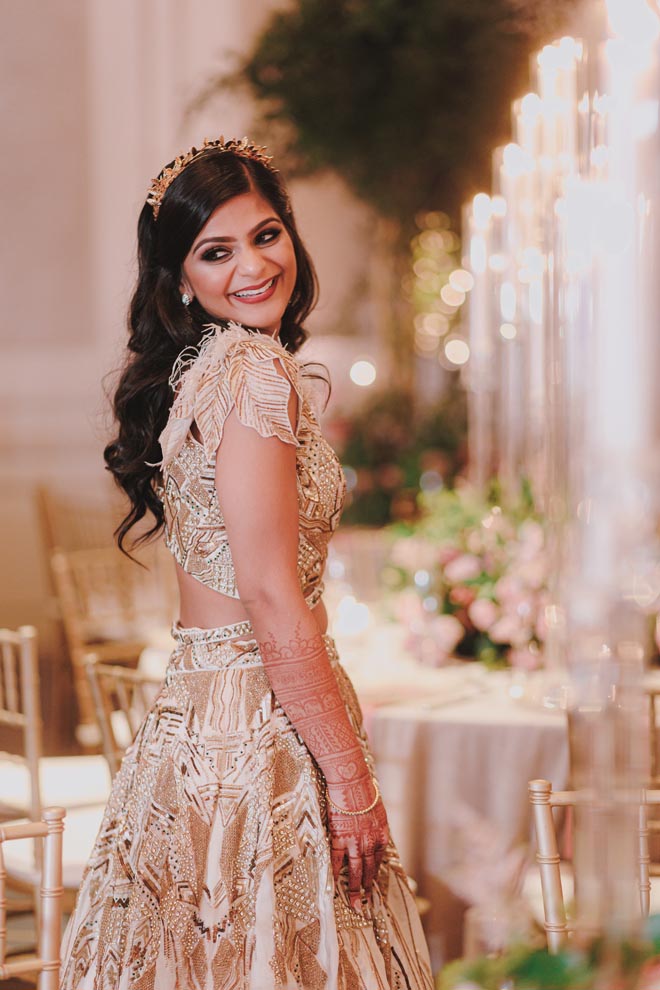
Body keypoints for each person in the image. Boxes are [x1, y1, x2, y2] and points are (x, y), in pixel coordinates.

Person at [60, 136, 433, 990]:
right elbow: (269, 594)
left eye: (266, 235)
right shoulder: (254, 375)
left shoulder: (208, 370)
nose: (253, 266)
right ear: (179, 278)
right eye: (215, 252)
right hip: (257, 727)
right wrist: (350, 782)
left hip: (199, 713)